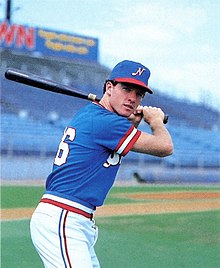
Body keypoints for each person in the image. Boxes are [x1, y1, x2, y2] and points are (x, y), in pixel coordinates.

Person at [30, 60, 173, 267]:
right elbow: (165, 147)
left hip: (72, 218)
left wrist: (133, 119)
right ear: (109, 88)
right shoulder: (106, 122)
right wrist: (155, 120)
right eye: (126, 89)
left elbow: (116, 144)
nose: (132, 98)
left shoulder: (94, 115)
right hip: (64, 217)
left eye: (139, 93)